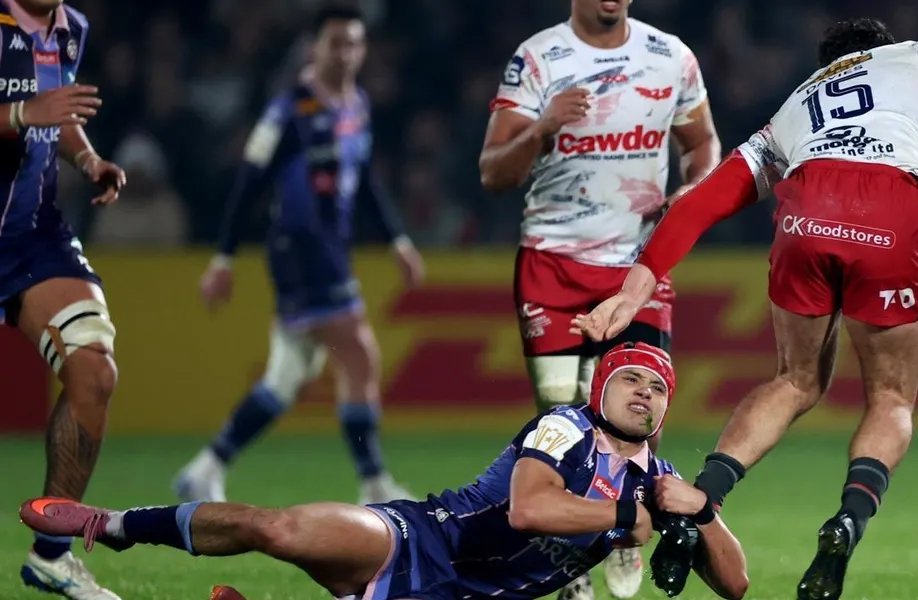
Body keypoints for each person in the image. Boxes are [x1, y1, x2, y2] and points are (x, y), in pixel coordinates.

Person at [573, 18, 918, 600]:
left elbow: (698, 205)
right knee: (891, 398)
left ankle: (702, 500)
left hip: (806, 215)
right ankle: (849, 519)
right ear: (882, 47)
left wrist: (630, 292)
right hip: (888, 211)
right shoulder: (917, 56)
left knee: (794, 381)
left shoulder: (794, 108)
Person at [22, 343, 750, 600]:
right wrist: (628, 517)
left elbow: (737, 584)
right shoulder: (566, 427)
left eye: (657, 388)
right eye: (629, 379)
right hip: (422, 539)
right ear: (601, 391)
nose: (643, 392)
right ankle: (112, 523)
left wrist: (701, 509)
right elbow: (529, 509)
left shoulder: (664, 483)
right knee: (278, 529)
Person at [478, 0, 721, 596]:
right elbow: (493, 173)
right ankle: (573, 563)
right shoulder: (538, 59)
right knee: (561, 423)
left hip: (639, 266)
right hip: (553, 265)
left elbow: (703, 144)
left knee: (641, 412)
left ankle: (627, 528)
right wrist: (542, 128)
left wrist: (693, 188)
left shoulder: (671, 57)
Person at [172, 6, 425, 506]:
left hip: (331, 250)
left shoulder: (357, 105)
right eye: (336, 43)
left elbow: (365, 179)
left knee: (285, 379)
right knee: (359, 355)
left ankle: (205, 468)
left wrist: (397, 239)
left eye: (353, 43)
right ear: (313, 48)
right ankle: (375, 484)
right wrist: (223, 258)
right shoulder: (288, 109)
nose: (345, 53)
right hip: (300, 250)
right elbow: (250, 181)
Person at [0, 0, 128, 597]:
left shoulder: (71, 28)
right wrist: (23, 112)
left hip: (32, 240)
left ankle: (51, 553)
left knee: (93, 370)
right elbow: (35, 110)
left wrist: (86, 157)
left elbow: (58, 112)